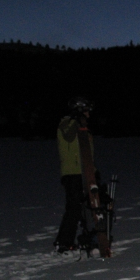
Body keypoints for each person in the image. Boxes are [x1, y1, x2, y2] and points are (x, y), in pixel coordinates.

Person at [54, 96, 93, 253]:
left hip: (84, 173)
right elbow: (69, 135)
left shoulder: (83, 126)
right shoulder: (67, 123)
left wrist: (93, 170)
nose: (89, 115)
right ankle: (63, 242)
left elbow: (86, 151)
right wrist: (76, 120)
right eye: (86, 111)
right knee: (74, 207)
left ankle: (85, 237)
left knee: (85, 206)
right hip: (72, 173)